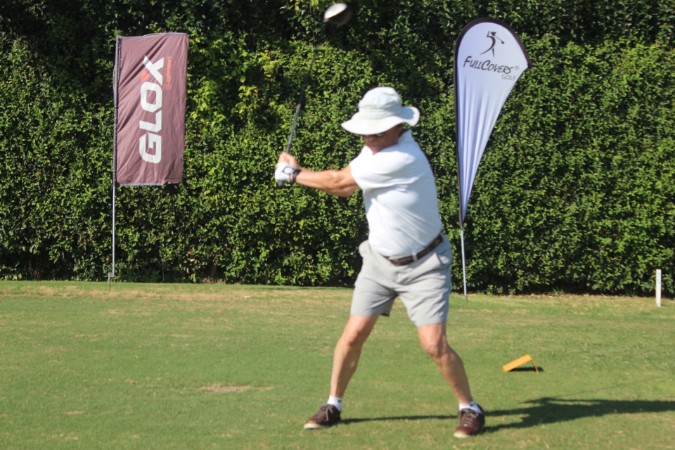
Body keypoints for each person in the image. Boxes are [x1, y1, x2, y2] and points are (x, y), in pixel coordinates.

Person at [274, 86, 485, 439]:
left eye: (377, 131)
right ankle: (333, 404)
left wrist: (293, 174)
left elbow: (339, 182)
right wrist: (297, 171)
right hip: (379, 261)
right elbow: (345, 185)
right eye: (366, 131)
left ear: (399, 126)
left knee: (433, 344)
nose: (369, 137)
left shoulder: (403, 157)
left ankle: (470, 408)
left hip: (425, 265)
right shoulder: (375, 148)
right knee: (353, 334)